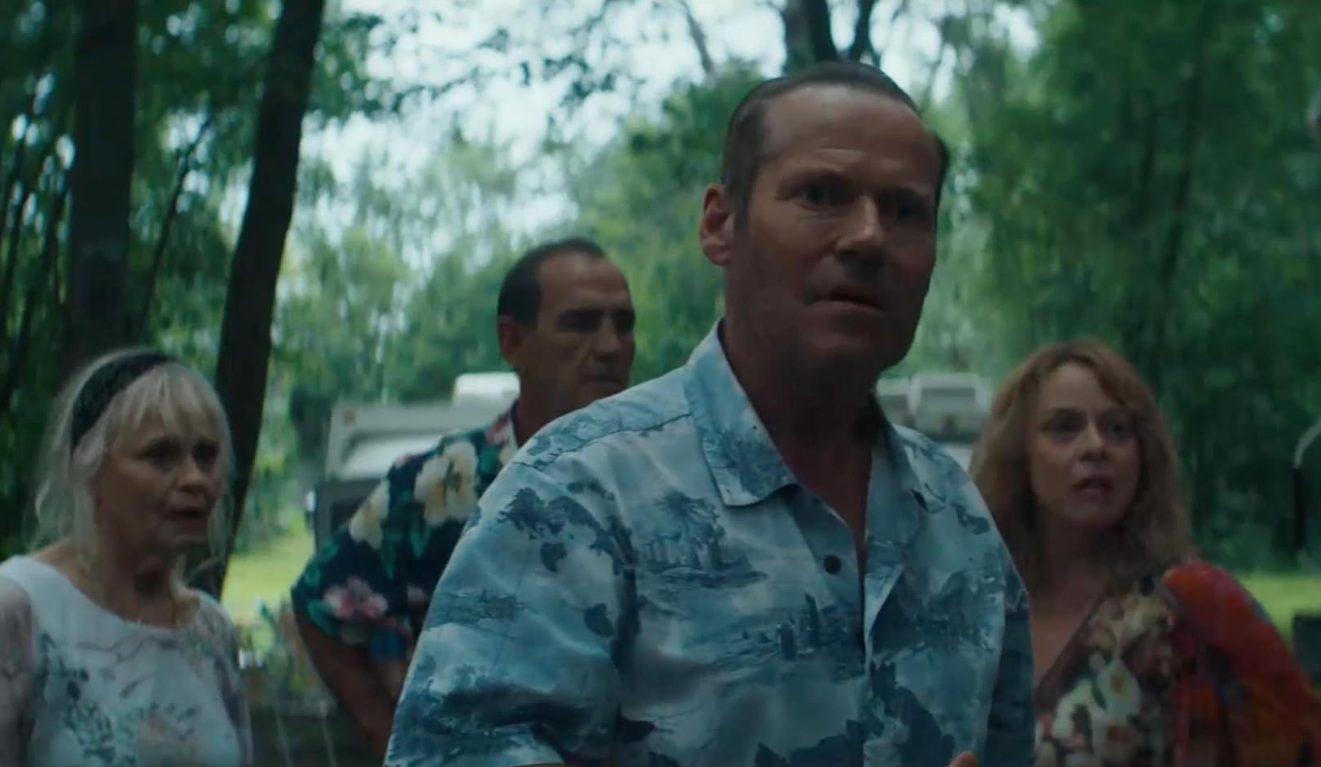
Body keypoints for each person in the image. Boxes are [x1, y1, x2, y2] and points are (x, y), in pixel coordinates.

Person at [385, 61, 1033, 767]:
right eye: (820, 195)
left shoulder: (959, 520)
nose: (869, 237)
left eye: (906, 211)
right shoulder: (574, 495)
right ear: (720, 224)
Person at [289, 236, 636, 758]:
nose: (611, 346)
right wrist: (385, 731)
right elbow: (318, 603)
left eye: (623, 324)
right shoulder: (444, 485)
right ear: (511, 340)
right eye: (581, 323)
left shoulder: (659, 478)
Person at [970, 339, 1321, 766]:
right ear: (1018, 454)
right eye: (1064, 427)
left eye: (1118, 429)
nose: (1096, 446)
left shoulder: (1191, 604)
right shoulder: (972, 616)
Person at [0, 348, 253, 766]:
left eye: (206, 455)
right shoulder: (21, 610)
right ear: (89, 467)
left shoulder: (211, 631)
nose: (196, 478)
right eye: (161, 455)